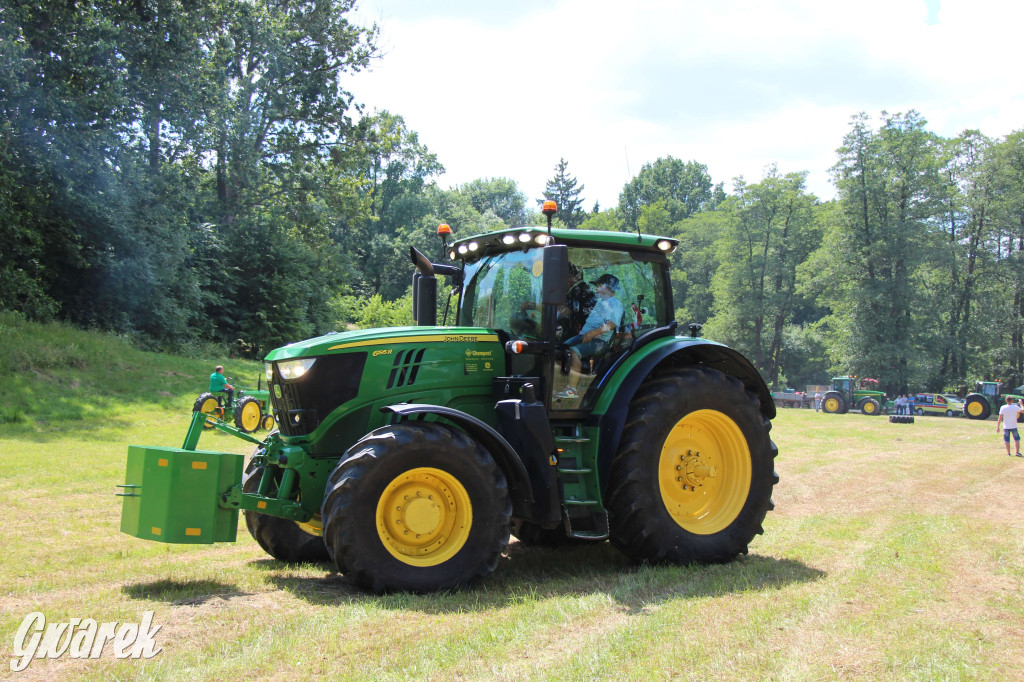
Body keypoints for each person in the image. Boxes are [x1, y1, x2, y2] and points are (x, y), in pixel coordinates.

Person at [556, 274, 624, 400]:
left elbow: (612, 324)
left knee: (573, 352)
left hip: (599, 342)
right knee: (560, 349)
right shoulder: (602, 303)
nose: (596, 289)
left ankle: (572, 390)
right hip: (585, 336)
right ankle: (560, 385)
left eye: (599, 286)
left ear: (608, 288)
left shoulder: (614, 304)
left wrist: (592, 333)